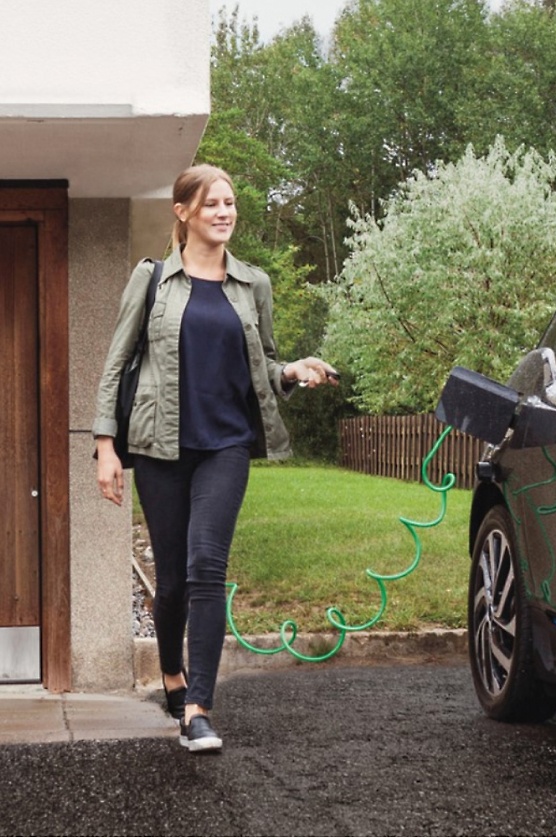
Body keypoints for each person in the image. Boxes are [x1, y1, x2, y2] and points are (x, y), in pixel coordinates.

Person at [94, 164, 338, 753]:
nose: (225, 213)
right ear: (183, 213)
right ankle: (173, 677)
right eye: (212, 205)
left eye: (230, 204)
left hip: (226, 444)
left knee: (207, 568)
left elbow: (265, 364)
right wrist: (106, 445)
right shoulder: (152, 280)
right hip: (159, 446)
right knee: (173, 580)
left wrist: (293, 371)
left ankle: (198, 707)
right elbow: (116, 361)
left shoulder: (253, 284)